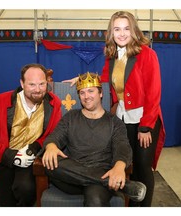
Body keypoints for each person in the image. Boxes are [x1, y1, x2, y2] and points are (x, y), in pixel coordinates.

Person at [63, 11, 166, 207]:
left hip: (145, 119)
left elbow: (154, 93)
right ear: (111, 32)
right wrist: (82, 79)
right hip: (123, 118)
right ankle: (129, 204)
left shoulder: (147, 54)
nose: (122, 33)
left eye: (126, 28)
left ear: (134, 30)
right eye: (117, 29)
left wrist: (145, 127)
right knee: (128, 165)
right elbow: (103, 79)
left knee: (144, 168)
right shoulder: (111, 56)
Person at [41, 72, 146, 207]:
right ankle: (117, 184)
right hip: (71, 178)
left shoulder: (114, 122)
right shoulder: (71, 117)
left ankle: (103, 180)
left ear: (101, 93)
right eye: (82, 93)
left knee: (95, 198)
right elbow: (55, 137)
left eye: (91, 91)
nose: (86, 96)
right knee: (51, 161)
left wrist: (119, 167)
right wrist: (51, 146)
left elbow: (122, 147)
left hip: (99, 179)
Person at [0, 63, 62, 207]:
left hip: (29, 158)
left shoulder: (54, 103)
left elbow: (53, 134)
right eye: (32, 84)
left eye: (42, 84)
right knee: (6, 202)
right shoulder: (1, 102)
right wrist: (12, 156)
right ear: (22, 84)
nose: (38, 90)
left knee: (26, 190)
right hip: (2, 158)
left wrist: (34, 148)